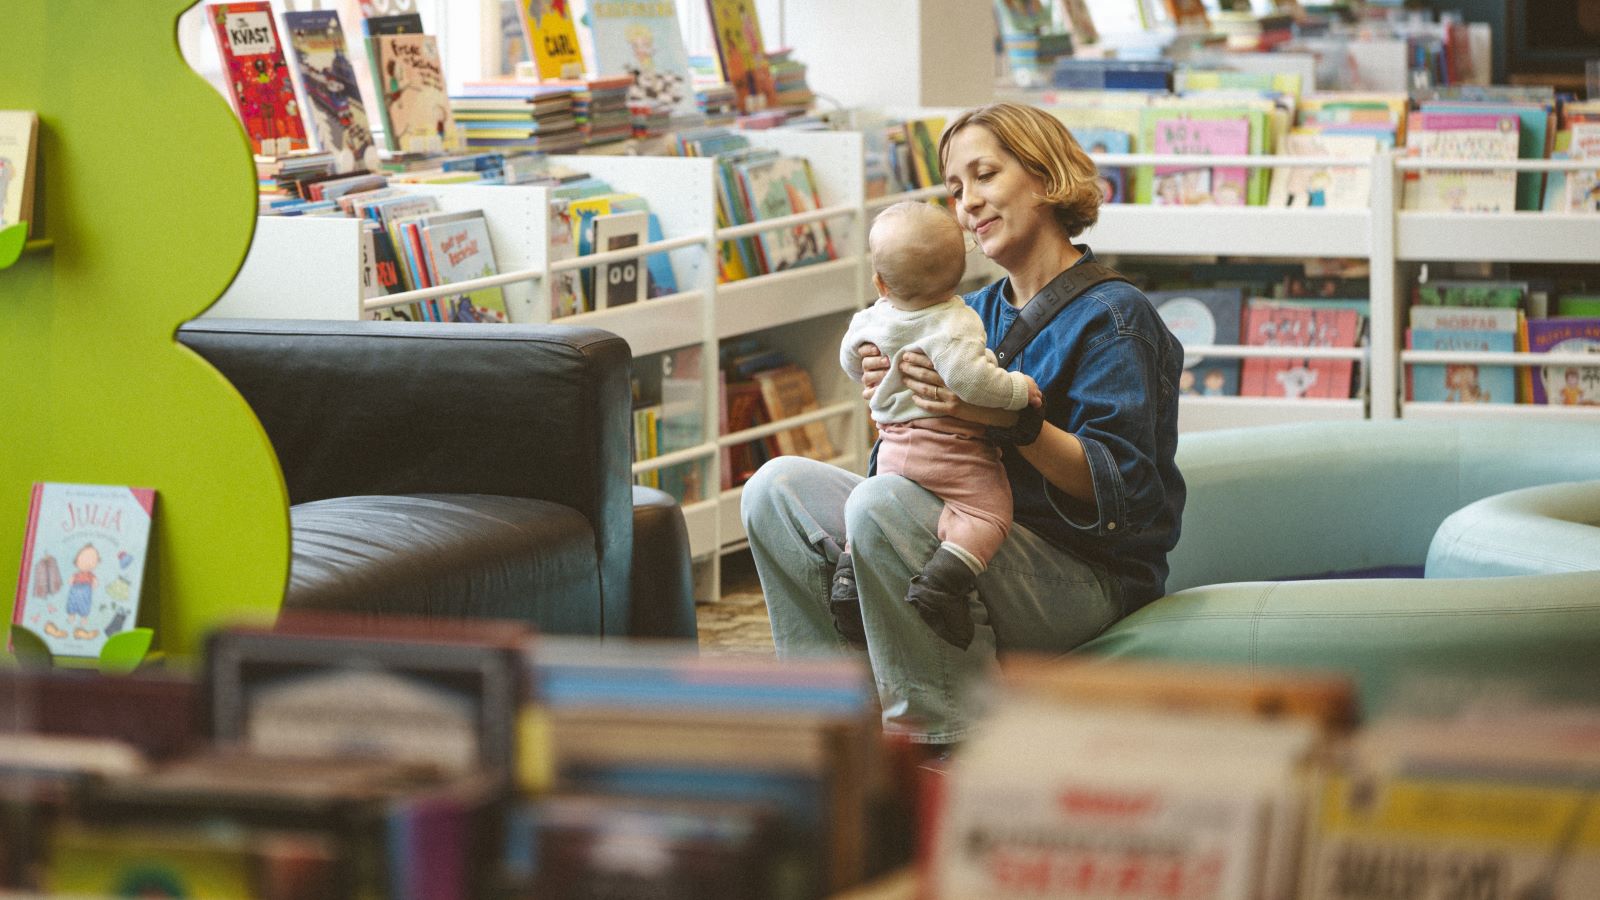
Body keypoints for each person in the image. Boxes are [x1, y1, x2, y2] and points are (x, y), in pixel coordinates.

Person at [741, 102, 1186, 747]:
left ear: (1044, 176)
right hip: (964, 540)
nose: (967, 202)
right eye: (954, 189)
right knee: (774, 488)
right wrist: (893, 404)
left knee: (884, 505)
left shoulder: (1116, 317)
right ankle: (829, 735)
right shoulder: (963, 311)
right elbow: (914, 464)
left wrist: (1009, 421)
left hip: (1081, 576)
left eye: (985, 175)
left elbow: (1122, 493)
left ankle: (938, 747)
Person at [833, 201, 1043, 652]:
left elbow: (850, 357)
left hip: (892, 450)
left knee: (872, 503)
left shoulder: (871, 318)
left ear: (879, 282)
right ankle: (943, 582)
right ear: (958, 276)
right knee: (987, 512)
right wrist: (1019, 391)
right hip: (952, 453)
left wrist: (869, 374)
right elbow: (971, 380)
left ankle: (850, 575)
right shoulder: (955, 321)